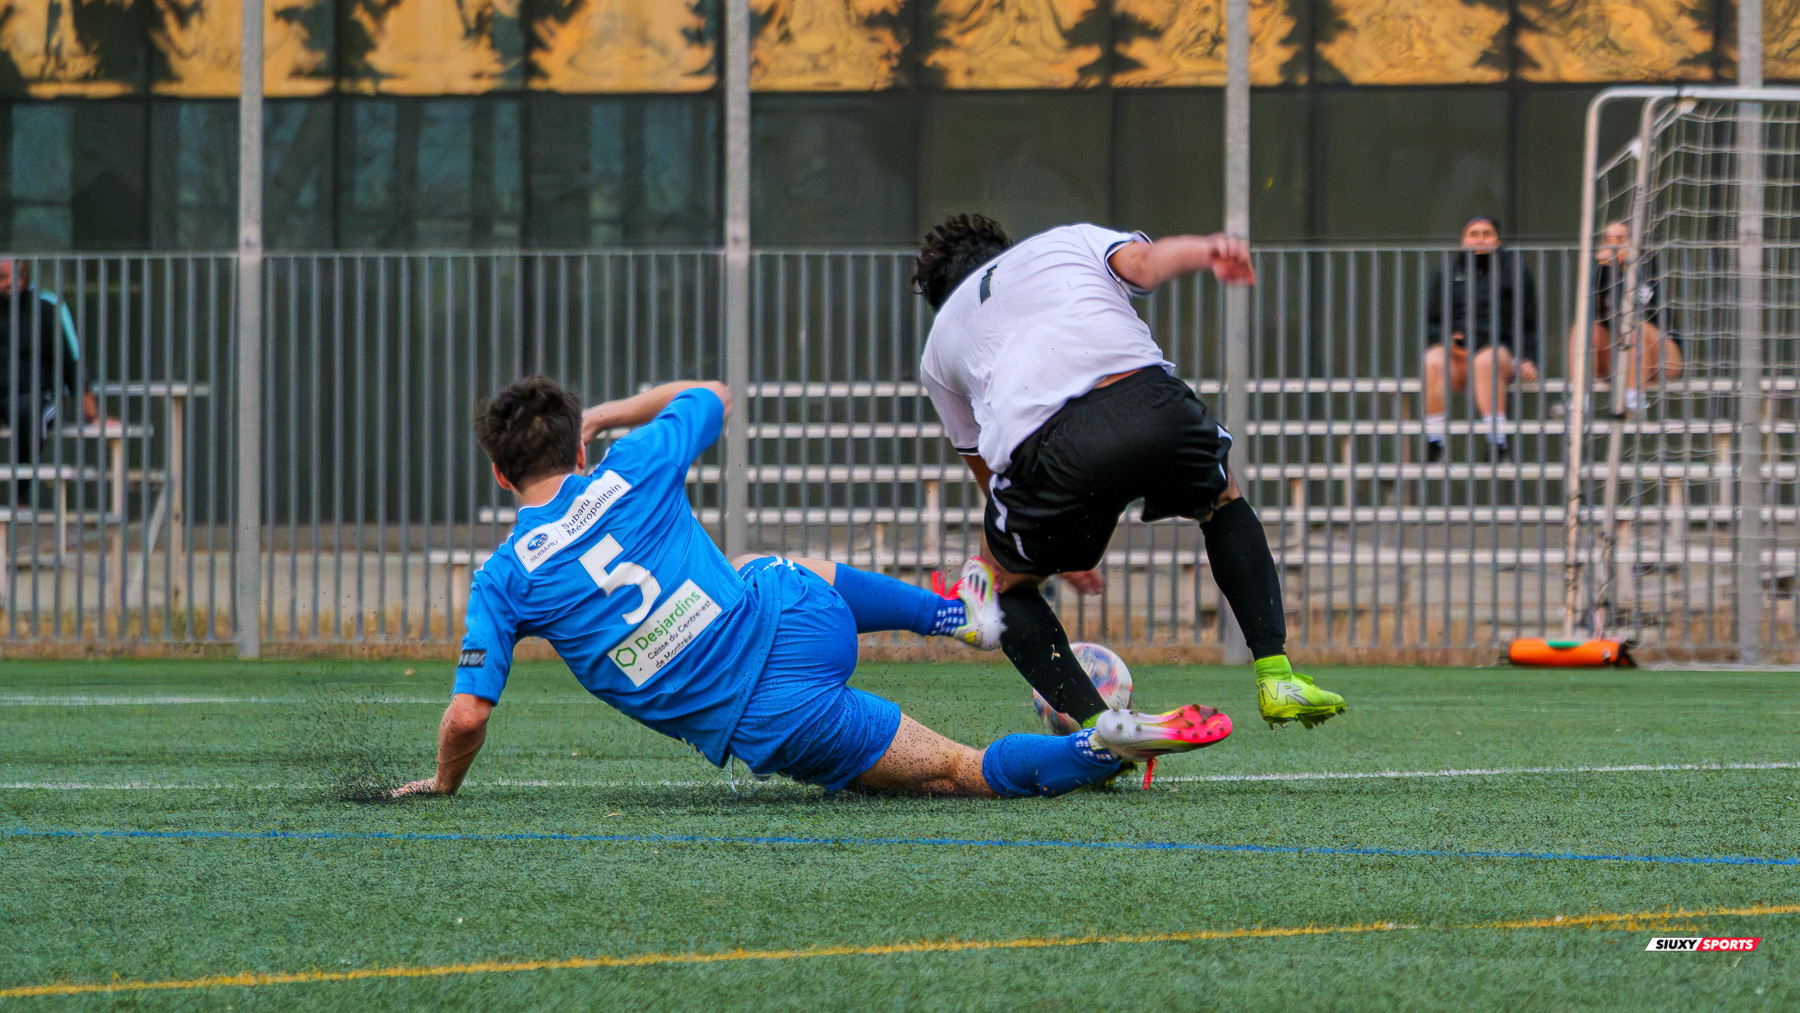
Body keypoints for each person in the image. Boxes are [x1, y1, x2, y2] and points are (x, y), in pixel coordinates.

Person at [394, 376, 1232, 800]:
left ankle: (1105, 745)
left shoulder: (504, 577)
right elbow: (710, 394)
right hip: (802, 611)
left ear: (500, 474)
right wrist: (609, 416)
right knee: (759, 566)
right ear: (579, 449)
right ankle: (956, 615)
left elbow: (467, 715)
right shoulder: (634, 462)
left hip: (777, 713)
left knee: (957, 772)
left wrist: (443, 782)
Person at [914, 214, 1344, 733]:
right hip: (1151, 406)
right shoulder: (1065, 240)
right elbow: (1146, 263)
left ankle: (1098, 729)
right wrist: (1207, 248)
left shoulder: (939, 344)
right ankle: (1276, 675)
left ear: (939, 295)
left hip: (1048, 449)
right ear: (1003, 247)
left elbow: (987, 467)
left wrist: (1042, 549)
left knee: (998, 581)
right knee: (1222, 499)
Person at [1422, 216, 1540, 463]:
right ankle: (1435, 441)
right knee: (1432, 358)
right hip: (1459, 356)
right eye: (1473, 234)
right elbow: (1432, 320)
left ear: (1497, 240)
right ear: (1463, 241)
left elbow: (1529, 322)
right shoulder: (1448, 270)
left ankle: (1497, 442)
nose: (1480, 239)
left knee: (1485, 360)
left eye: (1487, 233)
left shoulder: (1514, 269)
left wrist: (1529, 358)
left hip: (1499, 354)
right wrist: (1446, 340)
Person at [0, 257, 109, 505]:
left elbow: (72, 362)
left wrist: (92, 415)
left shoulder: (47, 308)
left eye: (15, 276)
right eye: (2, 278)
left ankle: (21, 496)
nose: (9, 283)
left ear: (26, 277)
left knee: (30, 411)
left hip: (38, 396)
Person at [1567, 221, 1682, 415]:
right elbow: (1601, 317)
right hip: (1616, 354)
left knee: (1635, 327)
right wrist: (1608, 272)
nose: (1614, 246)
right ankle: (1580, 400)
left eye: (1620, 240)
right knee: (1582, 329)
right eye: (1608, 240)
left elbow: (1644, 311)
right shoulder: (1600, 271)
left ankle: (1632, 398)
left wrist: (1627, 268)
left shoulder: (1648, 266)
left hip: (1660, 354)